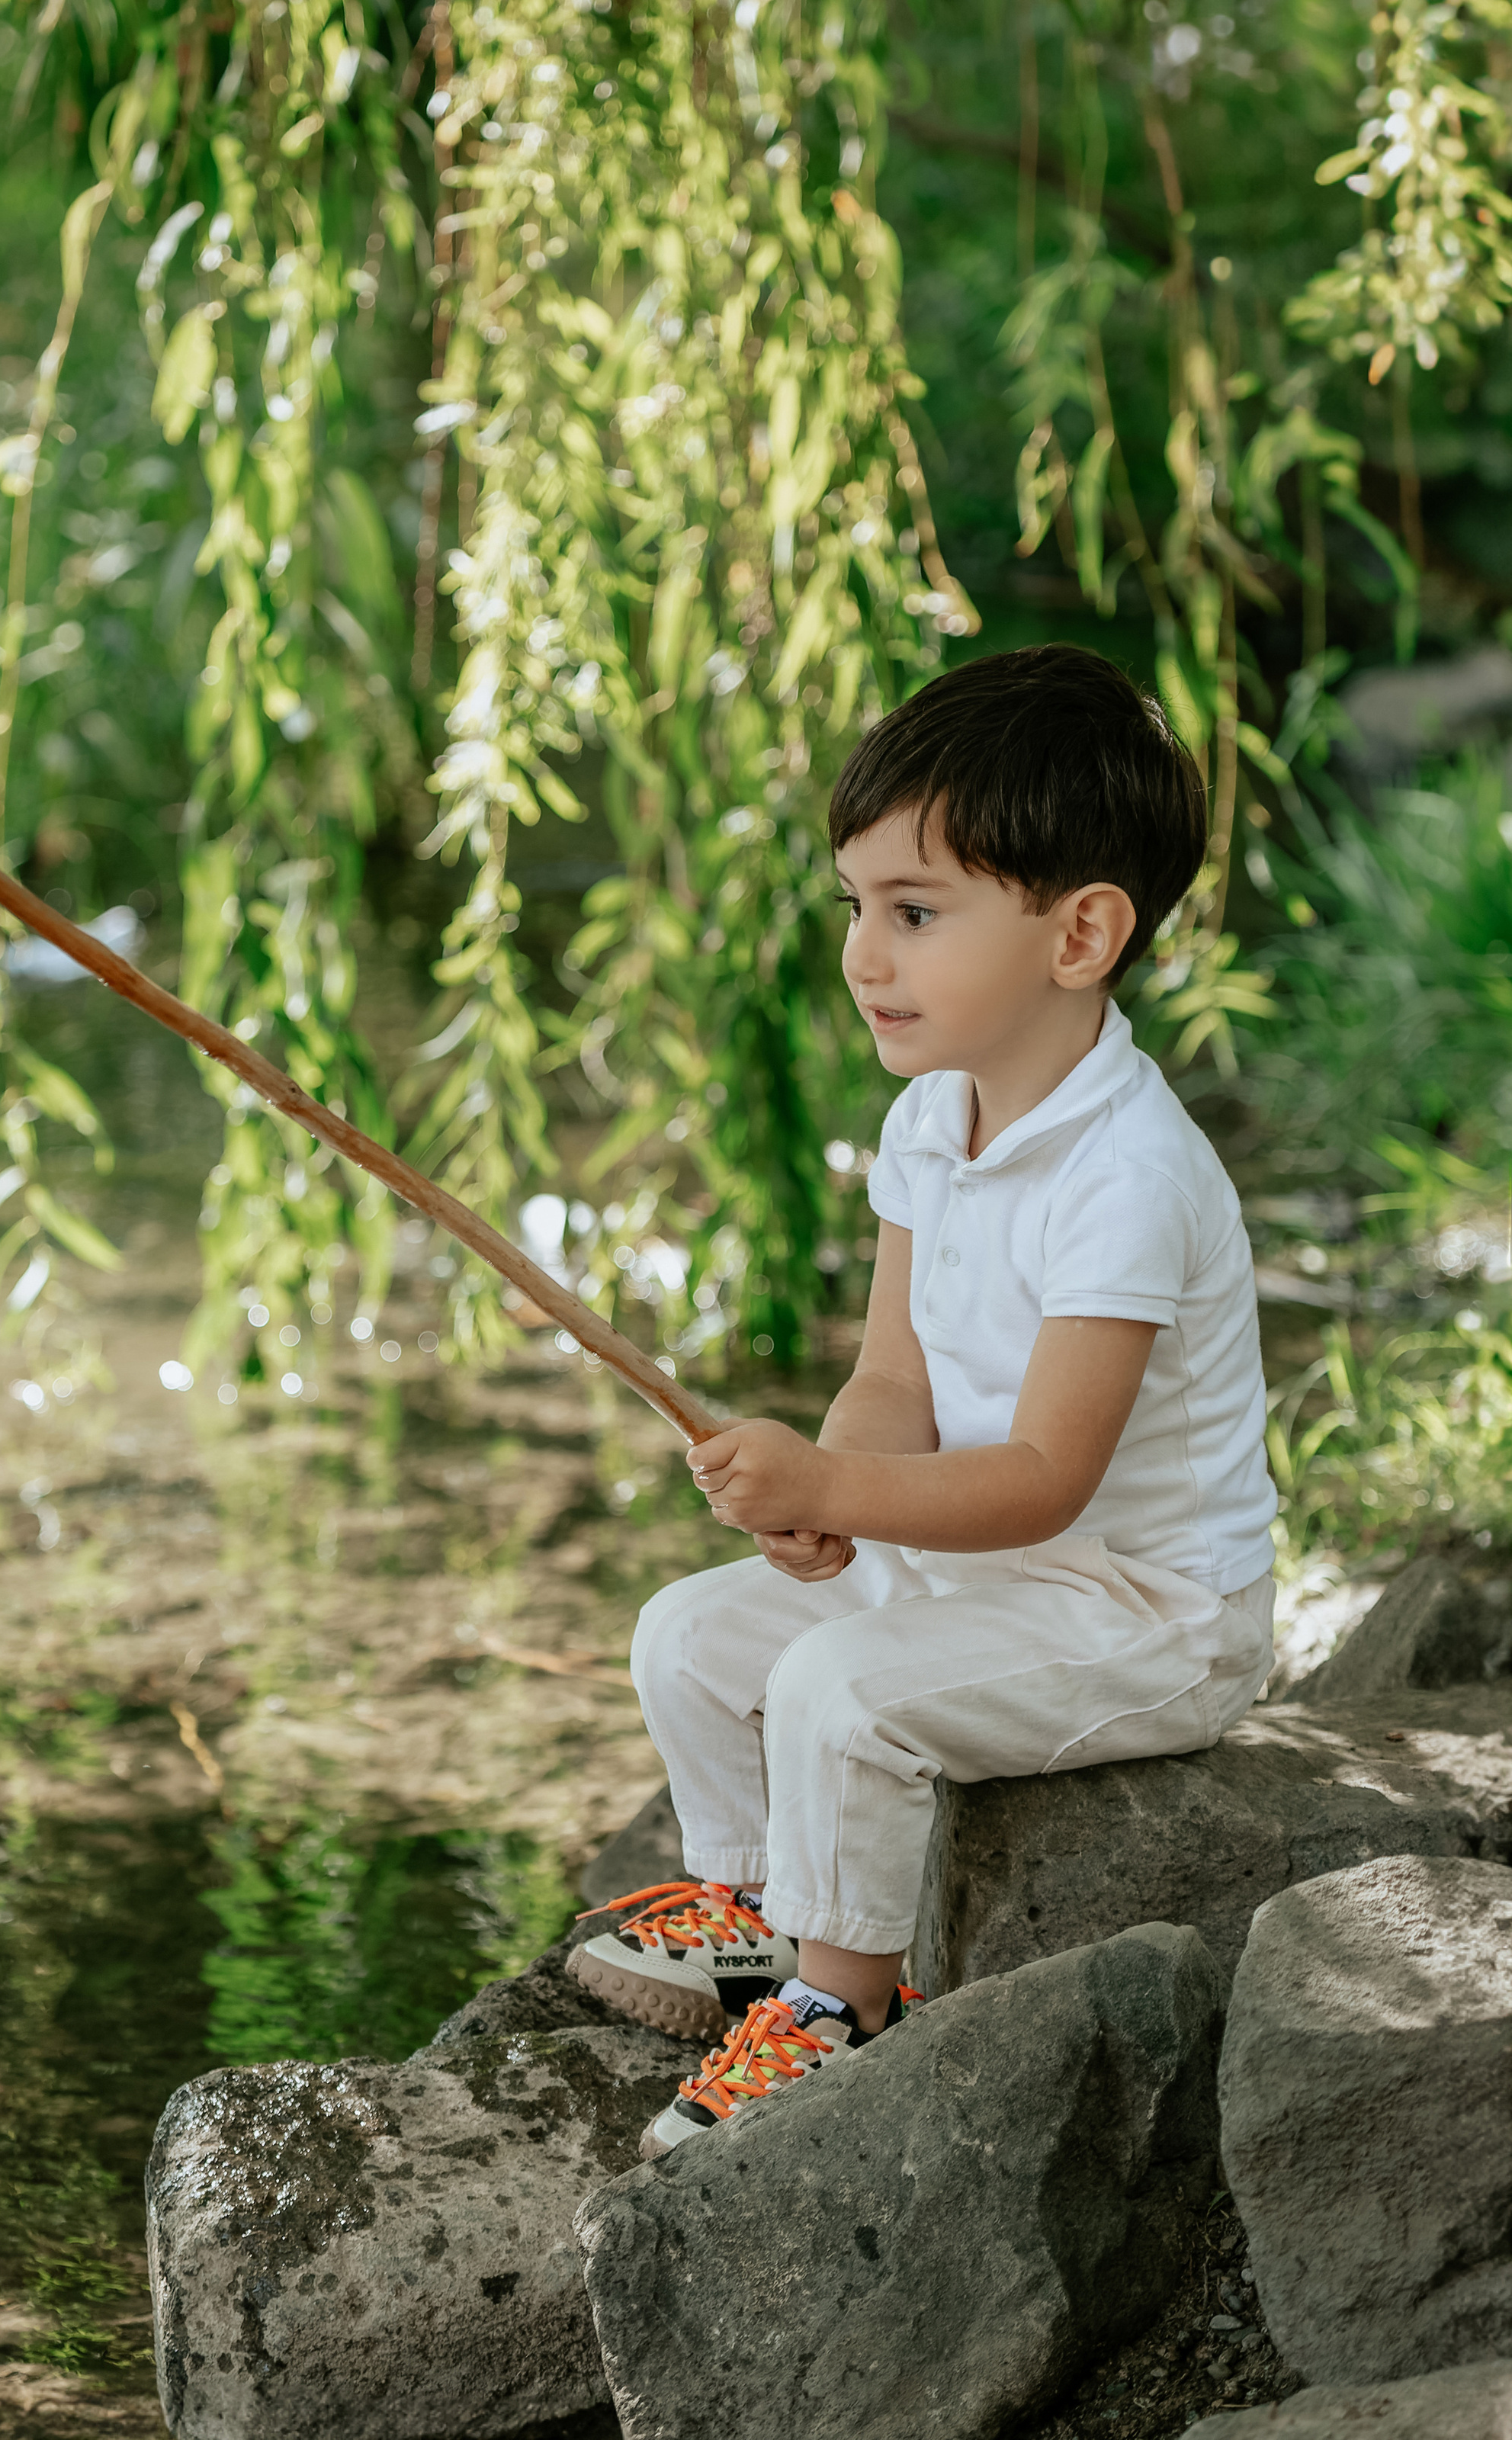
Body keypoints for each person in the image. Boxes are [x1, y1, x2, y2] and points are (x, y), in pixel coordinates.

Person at [568, 644, 1278, 2162]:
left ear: (1080, 931)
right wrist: (826, 1495)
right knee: (688, 1636)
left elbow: (1041, 1477)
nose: (862, 955)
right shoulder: (928, 1117)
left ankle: (840, 2002)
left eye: (913, 911)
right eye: (854, 907)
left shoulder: (1128, 1179)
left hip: (1137, 1608)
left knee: (839, 1693)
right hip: (982, 1564)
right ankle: (760, 1914)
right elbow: (892, 1378)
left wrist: (837, 1495)